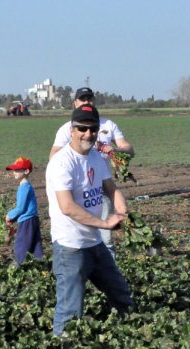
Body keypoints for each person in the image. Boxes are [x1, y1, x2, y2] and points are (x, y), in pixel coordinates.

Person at [45, 103, 133, 336]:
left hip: (94, 243)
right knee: (70, 310)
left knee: (121, 295)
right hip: (71, 246)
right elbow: (67, 207)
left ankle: (132, 338)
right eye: (83, 128)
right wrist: (105, 224)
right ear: (72, 130)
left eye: (93, 129)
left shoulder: (94, 157)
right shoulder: (61, 163)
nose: (88, 134)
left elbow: (110, 187)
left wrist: (122, 209)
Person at [49, 87, 135, 258]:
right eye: (82, 99)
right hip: (80, 188)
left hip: (102, 183)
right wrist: (80, 150)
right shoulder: (69, 128)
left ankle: (108, 266)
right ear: (75, 103)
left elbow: (128, 150)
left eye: (89, 99)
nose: (86, 102)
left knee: (105, 238)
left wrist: (114, 152)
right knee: (81, 235)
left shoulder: (108, 125)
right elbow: (54, 157)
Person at [4, 156, 43, 264]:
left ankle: (18, 268)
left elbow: (21, 208)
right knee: (35, 246)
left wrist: (9, 215)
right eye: (14, 170)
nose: (14, 172)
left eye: (17, 170)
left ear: (26, 171)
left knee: (21, 246)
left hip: (27, 221)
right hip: (33, 219)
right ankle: (41, 265)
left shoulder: (24, 187)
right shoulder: (27, 186)